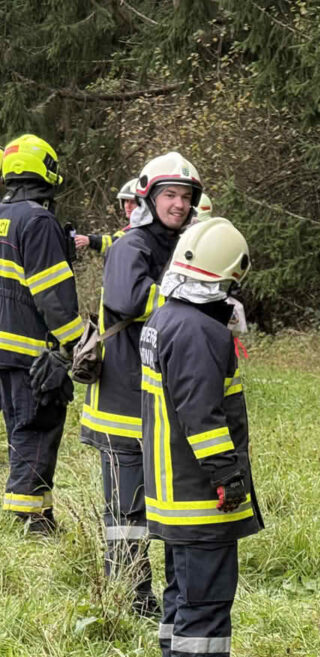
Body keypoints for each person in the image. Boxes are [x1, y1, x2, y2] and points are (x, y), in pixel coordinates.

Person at [140, 216, 261, 657]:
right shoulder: (198, 333)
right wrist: (228, 476)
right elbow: (202, 416)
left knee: (182, 588)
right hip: (198, 494)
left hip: (170, 490)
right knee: (206, 593)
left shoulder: (166, 318)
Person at [80, 152, 202, 617]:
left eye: (186, 197)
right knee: (126, 513)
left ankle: (147, 593)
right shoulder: (133, 246)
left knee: (154, 506)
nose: (179, 204)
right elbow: (130, 299)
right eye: (170, 195)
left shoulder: (177, 243)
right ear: (150, 198)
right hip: (120, 404)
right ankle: (128, 597)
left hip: (153, 401)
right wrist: (195, 299)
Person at [0, 133, 84, 534]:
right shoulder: (39, 221)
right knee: (36, 428)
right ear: (46, 171)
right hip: (30, 351)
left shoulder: (4, 216)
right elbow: (53, 295)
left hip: (3, 349)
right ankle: (29, 522)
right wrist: (77, 343)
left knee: (19, 428)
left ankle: (40, 515)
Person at [74, 178, 138, 256]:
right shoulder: (132, 227)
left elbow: (116, 243)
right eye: (126, 201)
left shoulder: (140, 229)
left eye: (133, 202)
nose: (128, 206)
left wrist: (90, 240)